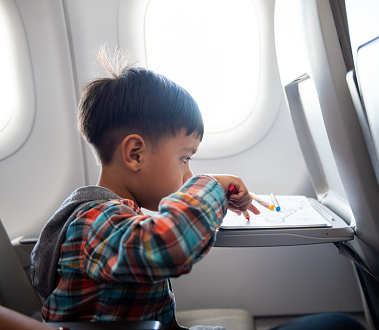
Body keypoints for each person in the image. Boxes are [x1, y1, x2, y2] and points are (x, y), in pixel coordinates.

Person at [30, 46, 260, 330]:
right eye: (184, 158)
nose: (189, 173)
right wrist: (210, 187)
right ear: (135, 154)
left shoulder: (114, 216)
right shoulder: (93, 224)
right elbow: (169, 246)